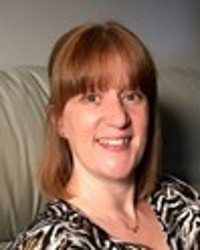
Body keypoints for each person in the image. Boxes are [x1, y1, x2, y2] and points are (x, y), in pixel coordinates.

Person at [7, 21, 200, 250]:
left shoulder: (177, 198)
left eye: (131, 96)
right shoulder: (54, 241)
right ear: (58, 121)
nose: (119, 118)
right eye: (92, 98)